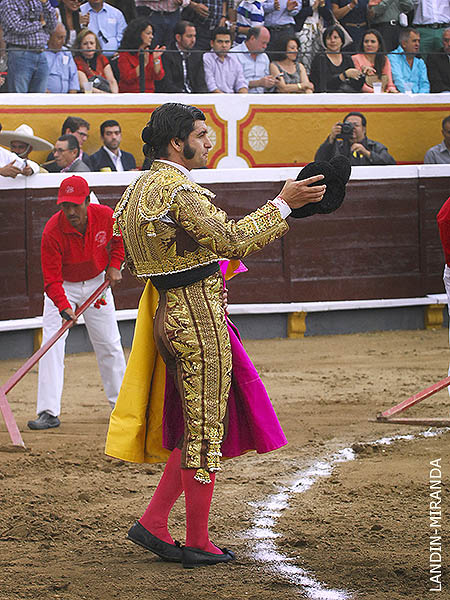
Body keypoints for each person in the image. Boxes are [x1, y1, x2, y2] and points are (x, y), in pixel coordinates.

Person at [108, 101, 326, 567]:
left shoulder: (137, 190)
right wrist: (283, 203)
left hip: (171, 313)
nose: (210, 143)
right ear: (176, 142)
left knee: (196, 426)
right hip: (198, 319)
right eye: (203, 136)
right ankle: (198, 540)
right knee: (206, 429)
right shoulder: (177, 190)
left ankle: (154, 521)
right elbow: (230, 240)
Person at [27, 175, 126, 430]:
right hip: (64, 288)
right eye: (65, 206)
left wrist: (114, 266)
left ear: (86, 200)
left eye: (75, 205)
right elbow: (51, 279)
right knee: (51, 345)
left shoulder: (105, 215)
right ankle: (48, 412)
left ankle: (122, 406)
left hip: (97, 285)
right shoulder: (52, 230)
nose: (70, 211)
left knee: (110, 344)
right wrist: (63, 307)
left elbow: (120, 242)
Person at [0, 0, 57, 93]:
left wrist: (45, 4)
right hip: (20, 53)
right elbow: (17, 27)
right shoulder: (8, 3)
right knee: (19, 97)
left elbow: (52, 26)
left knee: (39, 98)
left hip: (41, 53)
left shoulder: (39, 2)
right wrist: (40, 24)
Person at [315, 111, 396, 165]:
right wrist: (331, 138)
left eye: (356, 125)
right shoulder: (337, 146)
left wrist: (367, 153)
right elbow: (319, 161)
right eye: (348, 125)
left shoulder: (375, 146)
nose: (352, 128)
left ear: (364, 129)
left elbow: (391, 163)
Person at [155, 21, 208, 93]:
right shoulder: (167, 54)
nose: (193, 40)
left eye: (194, 36)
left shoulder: (197, 55)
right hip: (175, 97)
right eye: (189, 36)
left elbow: (201, 83)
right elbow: (167, 84)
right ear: (178, 37)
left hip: (195, 97)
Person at [309, 24, 364, 92]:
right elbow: (324, 85)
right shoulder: (320, 58)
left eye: (336, 37)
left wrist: (363, 75)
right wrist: (344, 75)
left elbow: (356, 86)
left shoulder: (347, 58)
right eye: (329, 38)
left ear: (342, 40)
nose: (332, 41)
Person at [117, 18, 165, 93]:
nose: (151, 36)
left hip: (149, 93)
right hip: (130, 94)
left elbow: (158, 76)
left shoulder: (152, 53)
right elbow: (127, 78)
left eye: (152, 34)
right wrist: (143, 63)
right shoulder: (125, 55)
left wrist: (156, 60)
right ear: (138, 34)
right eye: (148, 33)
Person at [231, 26, 276, 93]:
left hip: (262, 99)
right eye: (263, 43)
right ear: (252, 39)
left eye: (267, 44)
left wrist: (271, 82)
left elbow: (266, 86)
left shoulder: (264, 57)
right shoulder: (234, 54)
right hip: (241, 99)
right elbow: (231, 83)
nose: (265, 47)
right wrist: (258, 83)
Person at [72, 29, 119, 93]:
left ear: (96, 45)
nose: (89, 46)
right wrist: (104, 95)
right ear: (79, 46)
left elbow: (112, 81)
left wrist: (115, 96)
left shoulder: (102, 58)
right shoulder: (76, 61)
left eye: (92, 43)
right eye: (85, 44)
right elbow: (85, 87)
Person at [203, 27, 248, 92]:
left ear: (231, 44)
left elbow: (241, 83)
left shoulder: (234, 58)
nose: (224, 45)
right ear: (212, 43)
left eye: (227, 42)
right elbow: (211, 87)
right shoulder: (206, 58)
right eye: (220, 42)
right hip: (214, 99)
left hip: (232, 99)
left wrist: (243, 96)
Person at [294, 0, 333, 73]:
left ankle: (317, 76)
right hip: (304, 29)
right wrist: (312, 8)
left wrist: (322, 6)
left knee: (319, 54)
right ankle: (305, 75)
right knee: (304, 53)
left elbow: (329, 16)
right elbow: (296, 15)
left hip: (319, 29)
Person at [389, 27, 430, 93]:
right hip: (400, 98)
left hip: (420, 100)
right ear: (404, 44)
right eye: (414, 41)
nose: (417, 44)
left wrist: (420, 98)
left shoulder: (420, 62)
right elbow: (398, 80)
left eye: (418, 41)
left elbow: (425, 84)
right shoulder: (393, 57)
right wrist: (412, 97)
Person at [44, 23, 80, 93]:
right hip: (46, 99)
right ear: (49, 37)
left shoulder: (67, 53)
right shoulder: (41, 53)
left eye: (64, 37)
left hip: (66, 99)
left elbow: (73, 77)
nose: (63, 42)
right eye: (60, 38)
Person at [426, 27, 450, 93]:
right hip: (443, 95)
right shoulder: (434, 57)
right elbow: (436, 83)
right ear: (442, 41)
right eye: (446, 40)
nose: (449, 44)